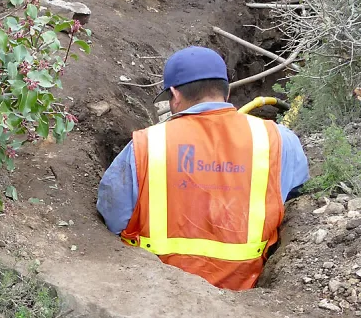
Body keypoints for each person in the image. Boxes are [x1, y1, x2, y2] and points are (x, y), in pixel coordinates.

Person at [97, 46, 309, 291]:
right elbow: (296, 204)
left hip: (155, 290)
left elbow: (113, 217)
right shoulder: (279, 139)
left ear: (175, 95)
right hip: (243, 292)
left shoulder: (146, 144)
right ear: (226, 91)